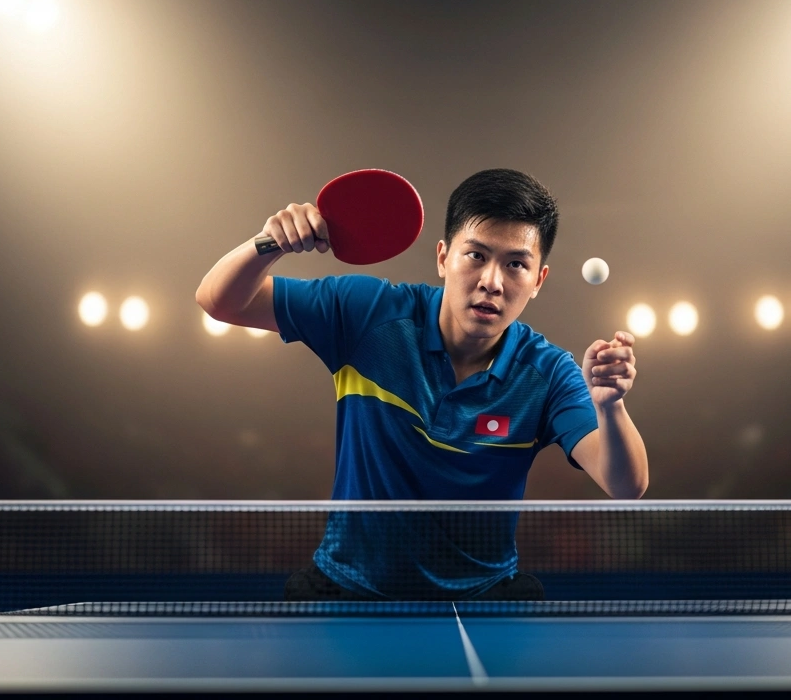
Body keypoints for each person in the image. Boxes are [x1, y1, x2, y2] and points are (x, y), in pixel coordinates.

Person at [195, 168, 648, 600]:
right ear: (443, 258)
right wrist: (270, 243)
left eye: (515, 265)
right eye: (476, 255)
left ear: (537, 281)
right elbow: (218, 301)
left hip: (484, 598)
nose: (491, 281)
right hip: (349, 590)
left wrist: (611, 408)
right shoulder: (367, 314)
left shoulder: (548, 373)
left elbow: (625, 485)